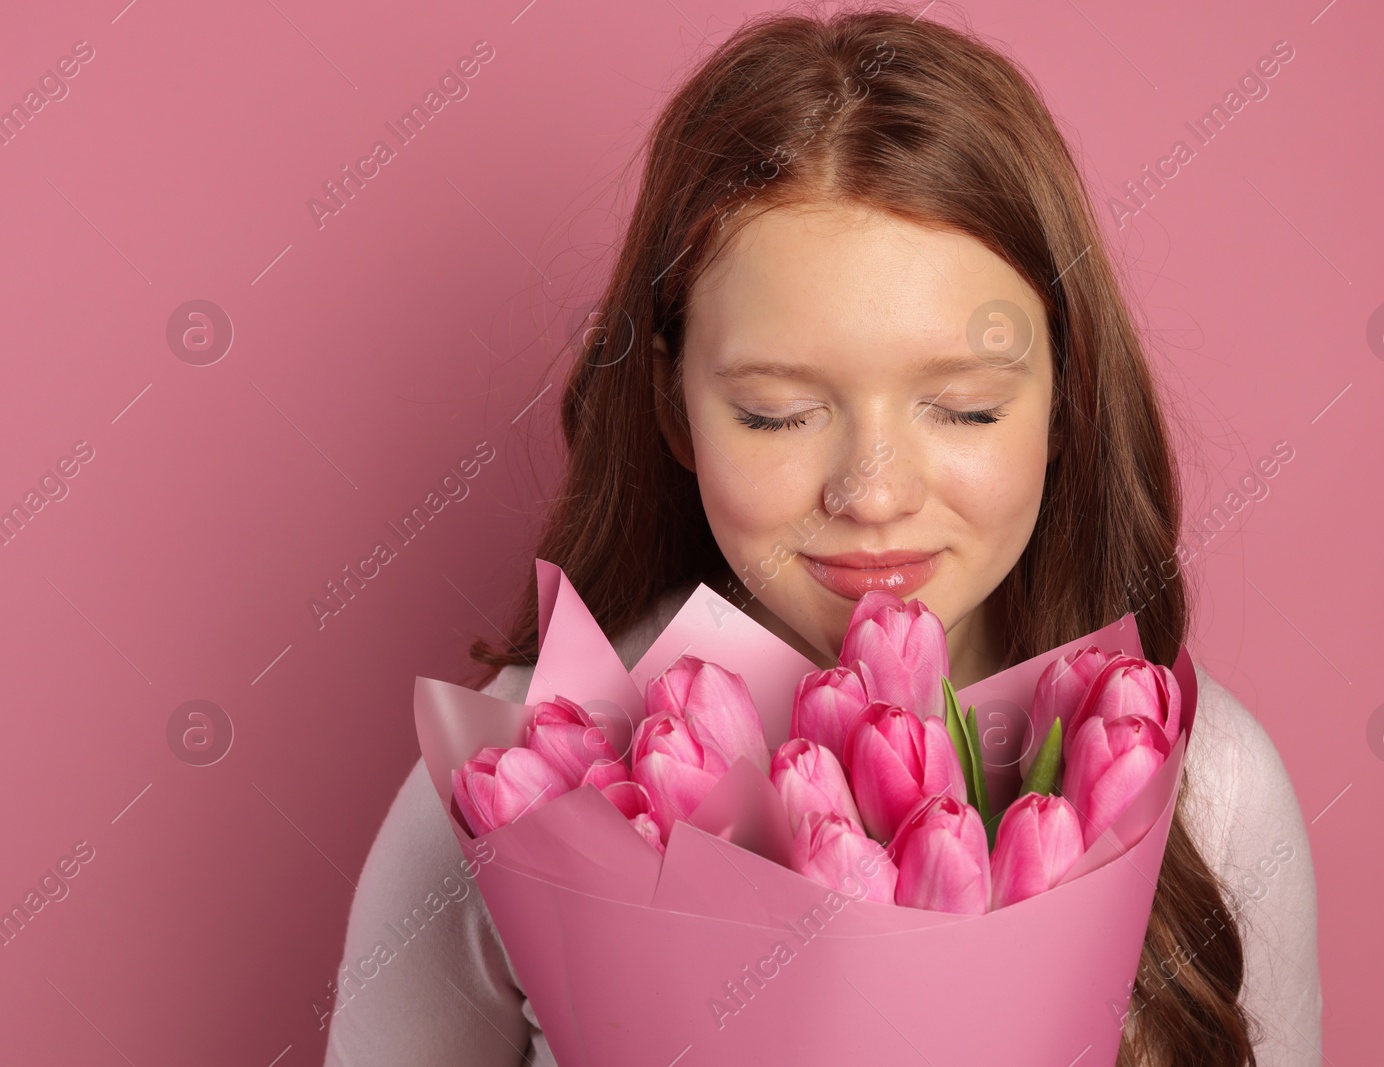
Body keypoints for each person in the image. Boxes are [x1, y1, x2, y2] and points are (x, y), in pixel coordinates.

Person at [324, 6, 1322, 1065]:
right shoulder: (521, 778)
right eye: (776, 412)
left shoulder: (1208, 785)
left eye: (966, 406)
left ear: (1066, 401)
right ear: (673, 407)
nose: (873, 493)